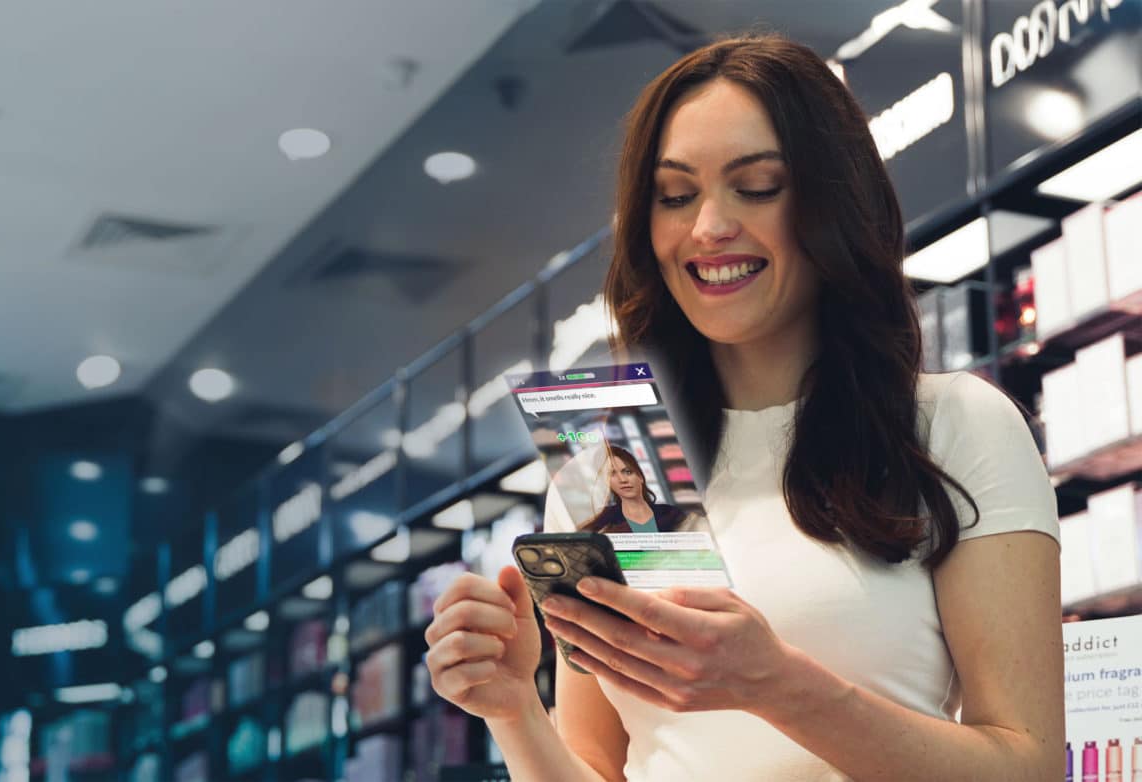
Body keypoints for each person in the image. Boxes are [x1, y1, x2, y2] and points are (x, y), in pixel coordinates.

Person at [424, 33, 1063, 781]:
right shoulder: (611, 461)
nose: (707, 227)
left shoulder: (952, 425)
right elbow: (597, 763)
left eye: (755, 185)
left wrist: (779, 686)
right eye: (674, 195)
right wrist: (513, 710)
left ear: (834, 202)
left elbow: (1028, 764)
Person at [580, 444, 685, 534]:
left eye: (628, 472)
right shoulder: (603, 521)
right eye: (612, 474)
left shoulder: (671, 514)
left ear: (640, 476)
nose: (623, 479)